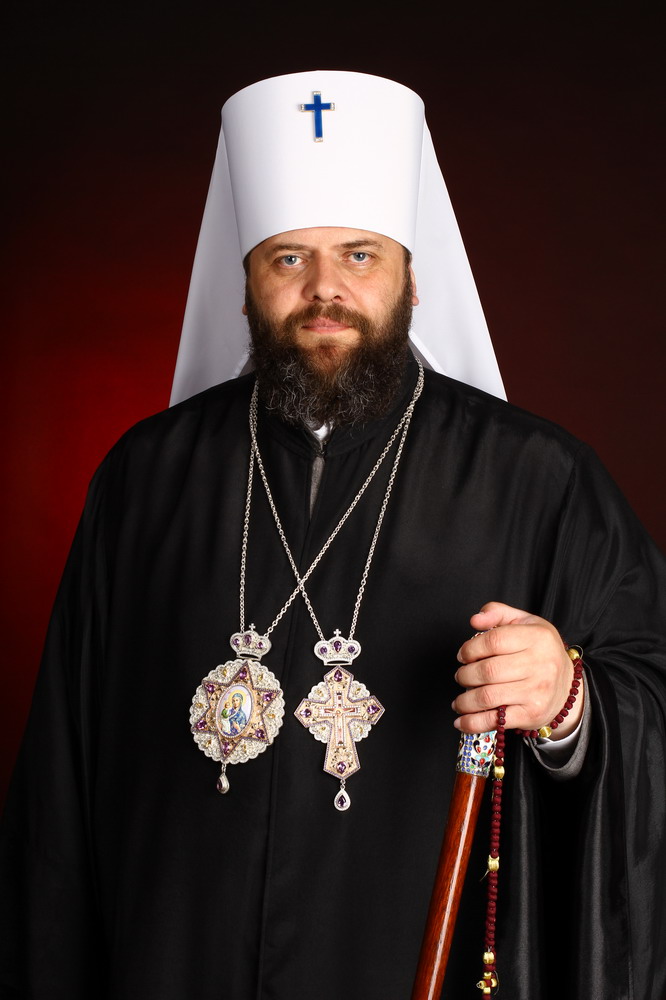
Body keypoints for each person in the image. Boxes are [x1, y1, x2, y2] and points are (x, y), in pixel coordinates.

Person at [1, 70, 665, 1000]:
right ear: (244, 284)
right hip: (177, 962)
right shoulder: (144, 479)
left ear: (411, 277)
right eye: (288, 259)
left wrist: (569, 701)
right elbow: (60, 791)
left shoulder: (538, 478)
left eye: (359, 255)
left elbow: (651, 695)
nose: (325, 290)